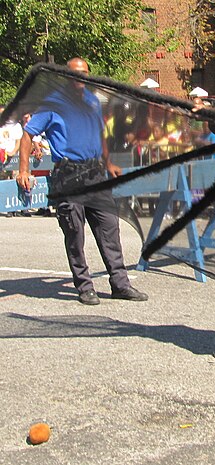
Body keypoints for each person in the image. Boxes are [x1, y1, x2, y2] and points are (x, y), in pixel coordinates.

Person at [16, 57, 148, 305]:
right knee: (75, 233)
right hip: (68, 176)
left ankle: (120, 284)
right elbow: (27, 134)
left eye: (84, 74)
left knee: (110, 229)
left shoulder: (92, 101)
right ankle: (84, 286)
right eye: (75, 75)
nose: (80, 80)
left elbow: (99, 134)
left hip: (95, 174)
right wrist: (24, 170)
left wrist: (109, 163)